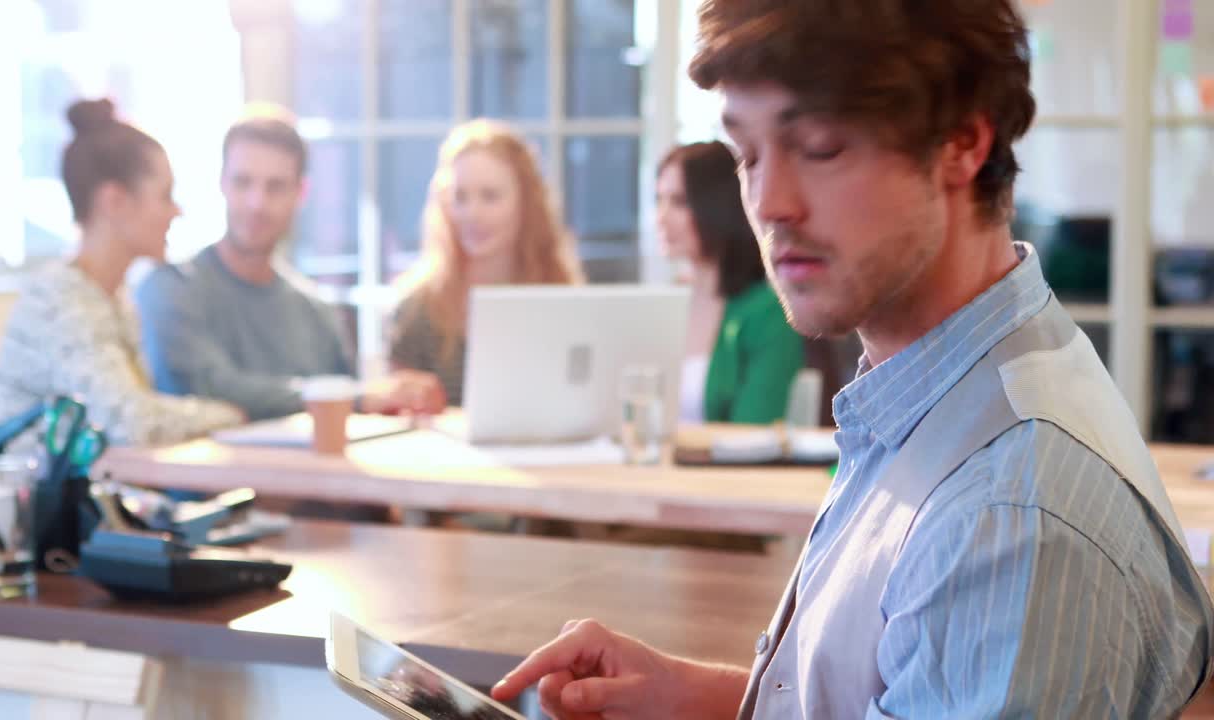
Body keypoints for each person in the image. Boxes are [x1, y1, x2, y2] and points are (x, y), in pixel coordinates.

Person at [492, 2, 1214, 718]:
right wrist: (696, 699)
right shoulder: (956, 384)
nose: (769, 202)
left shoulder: (1007, 516)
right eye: (747, 156)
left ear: (962, 141)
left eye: (821, 147)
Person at [135, 106, 444, 421]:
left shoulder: (317, 314)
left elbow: (346, 417)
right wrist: (355, 396)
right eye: (243, 182)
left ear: (301, 192)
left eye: (276, 186)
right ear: (222, 183)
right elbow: (209, 385)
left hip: (305, 472)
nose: (258, 203)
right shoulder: (170, 290)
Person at [0, 99, 244, 445]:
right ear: (114, 202)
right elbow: (133, 423)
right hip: (44, 497)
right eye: (165, 195)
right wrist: (234, 414)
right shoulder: (60, 299)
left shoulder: (114, 296)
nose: (177, 212)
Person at [388, 119, 584, 406]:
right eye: (460, 197)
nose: (472, 214)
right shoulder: (416, 309)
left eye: (490, 197)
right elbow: (397, 417)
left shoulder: (561, 297)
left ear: (526, 202)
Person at [657, 141, 804, 424]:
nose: (660, 217)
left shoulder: (767, 313)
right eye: (659, 200)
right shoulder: (662, 306)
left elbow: (751, 434)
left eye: (678, 202)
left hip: (718, 468)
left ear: (716, 206)